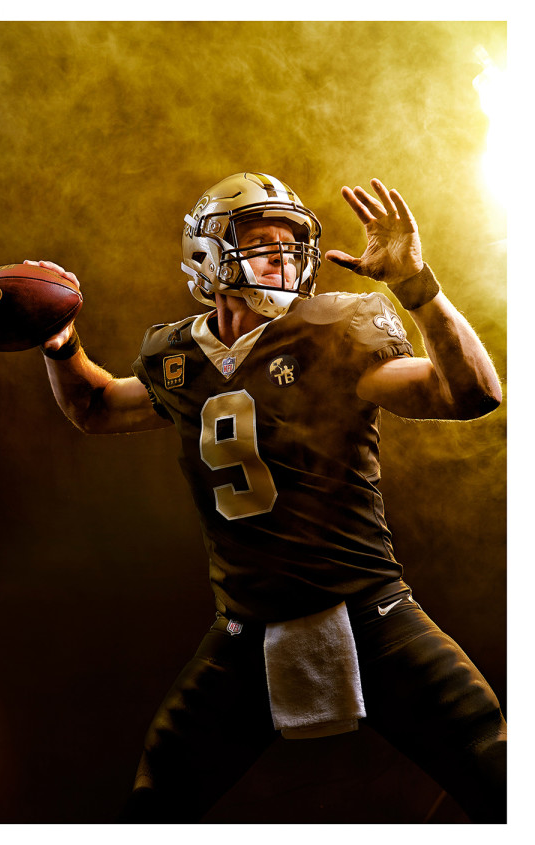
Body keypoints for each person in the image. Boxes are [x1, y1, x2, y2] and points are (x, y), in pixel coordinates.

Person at [34, 173, 505, 822]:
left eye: (290, 243)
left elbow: (470, 393)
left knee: (500, 770)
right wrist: (61, 342)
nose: (283, 257)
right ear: (207, 254)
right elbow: (95, 406)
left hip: (370, 609)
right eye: (261, 243)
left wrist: (417, 288)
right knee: (153, 804)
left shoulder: (332, 328)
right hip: (243, 628)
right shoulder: (178, 355)